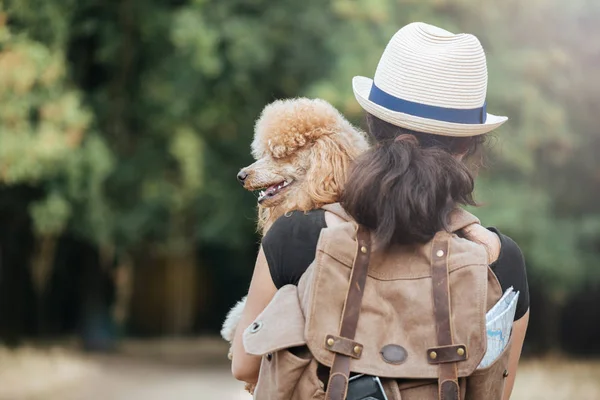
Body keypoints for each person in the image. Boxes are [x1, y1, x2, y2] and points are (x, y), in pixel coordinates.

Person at [232, 22, 529, 400]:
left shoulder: (296, 235)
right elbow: (497, 392)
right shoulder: (501, 261)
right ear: (468, 147)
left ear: (373, 125)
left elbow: (245, 364)